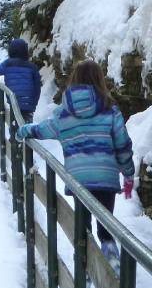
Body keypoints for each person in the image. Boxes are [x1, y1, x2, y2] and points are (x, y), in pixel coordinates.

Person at [17, 60, 134, 265]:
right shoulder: (110, 111)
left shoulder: (64, 113)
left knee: (83, 231)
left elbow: (42, 129)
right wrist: (128, 174)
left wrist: (22, 130)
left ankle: (85, 276)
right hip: (105, 180)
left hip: (79, 181)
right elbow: (122, 145)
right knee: (106, 230)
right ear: (100, 80)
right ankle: (113, 264)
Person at [0, 38, 42, 123]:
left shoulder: (8, 64)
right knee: (26, 125)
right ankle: (26, 134)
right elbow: (37, 87)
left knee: (15, 123)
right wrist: (34, 103)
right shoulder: (32, 67)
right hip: (28, 103)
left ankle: (14, 135)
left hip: (14, 101)